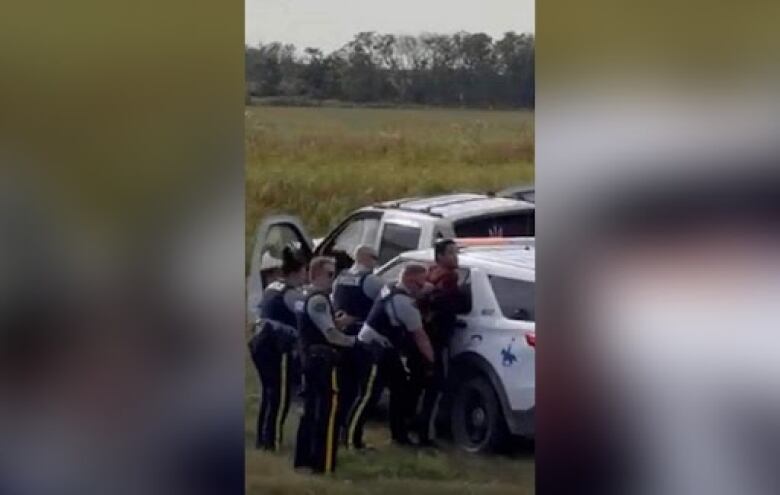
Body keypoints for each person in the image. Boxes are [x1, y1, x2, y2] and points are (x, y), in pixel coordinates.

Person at [344, 263, 435, 450]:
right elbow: (421, 337)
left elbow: (425, 288)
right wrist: (431, 361)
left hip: (384, 349)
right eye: (420, 283)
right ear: (409, 280)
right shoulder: (404, 304)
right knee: (369, 396)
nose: (423, 287)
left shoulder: (392, 286)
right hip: (373, 350)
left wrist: (428, 285)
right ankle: (351, 440)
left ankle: (399, 436)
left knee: (400, 389)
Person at [293, 256, 356, 474]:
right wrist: (354, 341)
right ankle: (324, 464)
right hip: (322, 360)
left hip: (307, 357)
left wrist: (338, 321)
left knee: (309, 411)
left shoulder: (304, 295)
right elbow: (330, 334)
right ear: (317, 274)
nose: (333, 278)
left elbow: (316, 325)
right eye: (330, 274)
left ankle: (302, 461)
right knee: (327, 412)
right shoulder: (319, 299)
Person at [249, 247, 307, 451]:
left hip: (259, 341)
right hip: (278, 346)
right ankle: (272, 440)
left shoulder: (273, 286)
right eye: (304, 271)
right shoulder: (292, 295)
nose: (306, 276)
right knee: (280, 396)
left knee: (269, 393)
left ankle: (263, 438)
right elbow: (305, 315)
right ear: (297, 272)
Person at [411, 238, 466, 446]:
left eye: (456, 252)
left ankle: (416, 427)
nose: (456, 257)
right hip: (437, 339)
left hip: (426, 335)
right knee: (436, 385)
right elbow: (453, 303)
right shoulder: (448, 278)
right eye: (451, 253)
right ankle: (427, 433)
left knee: (421, 384)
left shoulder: (430, 273)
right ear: (441, 256)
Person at [331, 244, 384, 437]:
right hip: (362, 338)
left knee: (344, 386)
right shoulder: (370, 281)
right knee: (366, 388)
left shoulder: (341, 277)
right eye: (374, 258)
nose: (376, 262)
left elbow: (334, 301)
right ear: (363, 257)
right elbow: (385, 302)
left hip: (342, 336)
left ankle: (338, 428)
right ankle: (352, 433)